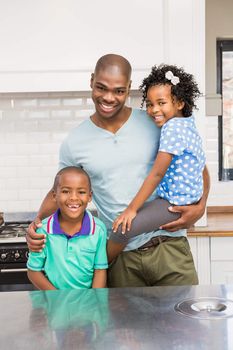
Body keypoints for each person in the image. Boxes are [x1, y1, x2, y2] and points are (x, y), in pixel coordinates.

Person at [27, 53, 210, 287]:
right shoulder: (75, 142)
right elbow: (59, 191)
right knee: (123, 326)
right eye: (101, 87)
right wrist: (36, 223)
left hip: (170, 249)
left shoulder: (157, 122)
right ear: (92, 81)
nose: (108, 97)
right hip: (120, 260)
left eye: (119, 90)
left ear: (129, 88)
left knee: (183, 323)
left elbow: (198, 168)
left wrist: (200, 206)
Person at [108, 64, 205, 261]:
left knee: (122, 229)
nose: (154, 110)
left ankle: (98, 269)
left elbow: (157, 174)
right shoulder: (188, 122)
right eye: (150, 104)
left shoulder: (172, 128)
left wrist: (131, 210)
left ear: (179, 103)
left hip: (174, 203)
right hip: (188, 199)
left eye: (161, 103)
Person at [27, 166, 108, 290]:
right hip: (54, 303)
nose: (73, 198)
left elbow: (100, 271)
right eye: (65, 191)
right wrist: (58, 299)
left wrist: (94, 301)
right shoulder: (43, 230)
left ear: (90, 196)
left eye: (81, 192)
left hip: (87, 305)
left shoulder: (98, 230)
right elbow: (33, 272)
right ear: (54, 195)